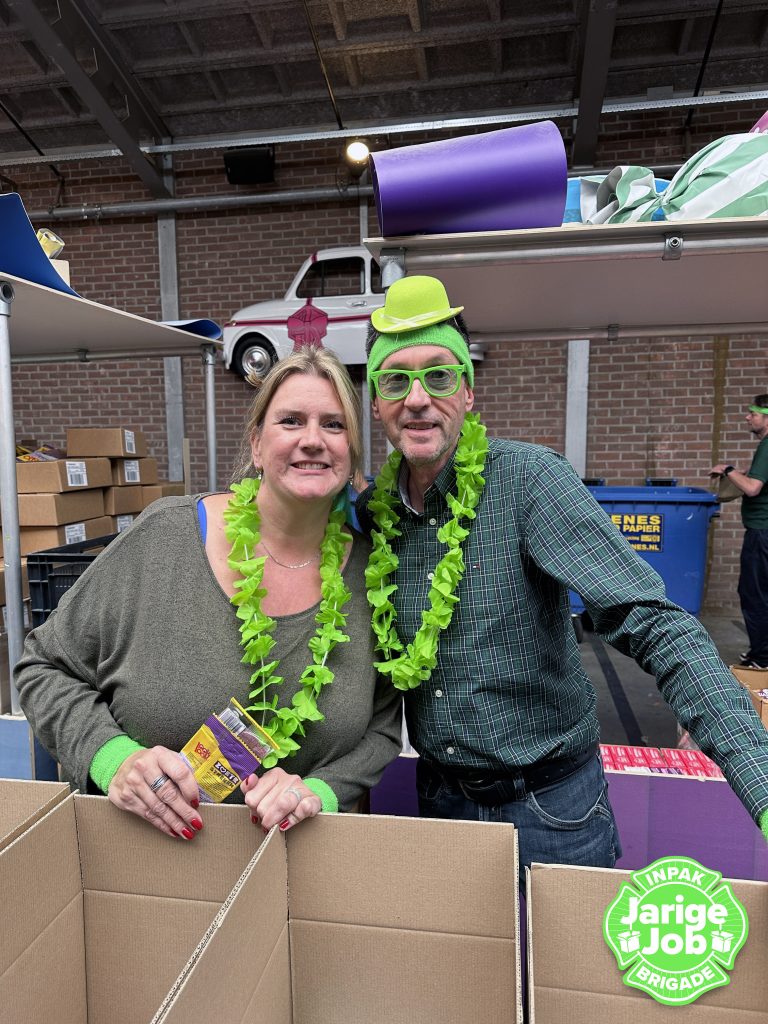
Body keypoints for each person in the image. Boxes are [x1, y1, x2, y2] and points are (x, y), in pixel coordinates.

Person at [357, 274, 768, 876]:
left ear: (467, 392)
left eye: (439, 376)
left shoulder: (528, 480)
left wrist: (759, 778)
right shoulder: (375, 516)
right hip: (441, 803)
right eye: (396, 380)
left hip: (551, 809)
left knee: (566, 945)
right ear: (376, 402)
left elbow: (650, 621)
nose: (417, 398)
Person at [16, 348, 401, 841]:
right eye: (290, 420)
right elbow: (43, 666)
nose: (312, 439)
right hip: (143, 859)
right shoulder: (165, 539)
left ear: (351, 453)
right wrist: (112, 759)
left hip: (301, 865)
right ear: (256, 444)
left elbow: (382, 728)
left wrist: (320, 793)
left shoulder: (374, 575)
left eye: (333, 424)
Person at [711, 395, 768, 669]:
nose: (748, 417)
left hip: (761, 532)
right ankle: (760, 650)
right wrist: (739, 473)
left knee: (754, 594)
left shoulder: (767, 445)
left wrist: (729, 469)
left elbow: (753, 488)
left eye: (753, 413)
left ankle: (763, 658)